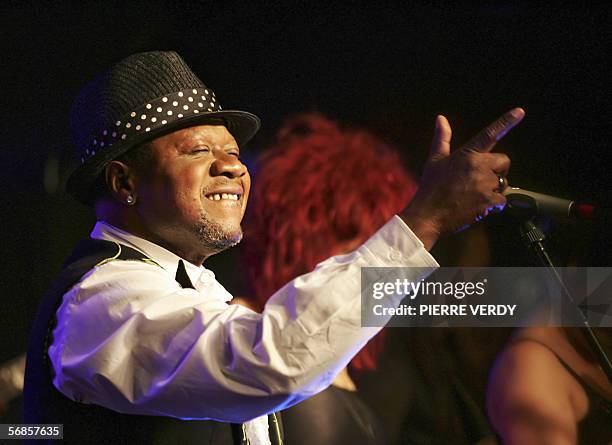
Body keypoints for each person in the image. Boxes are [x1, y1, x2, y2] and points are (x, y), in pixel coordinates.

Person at [23, 51, 522, 444]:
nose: (233, 168)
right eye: (199, 150)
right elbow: (274, 360)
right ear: (124, 182)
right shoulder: (103, 298)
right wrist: (424, 221)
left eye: (234, 153)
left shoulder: (195, 289)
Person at [240, 112, 419, 444]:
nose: (370, 261)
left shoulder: (375, 359)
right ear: (294, 238)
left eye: (376, 239)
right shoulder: (245, 329)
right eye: (352, 240)